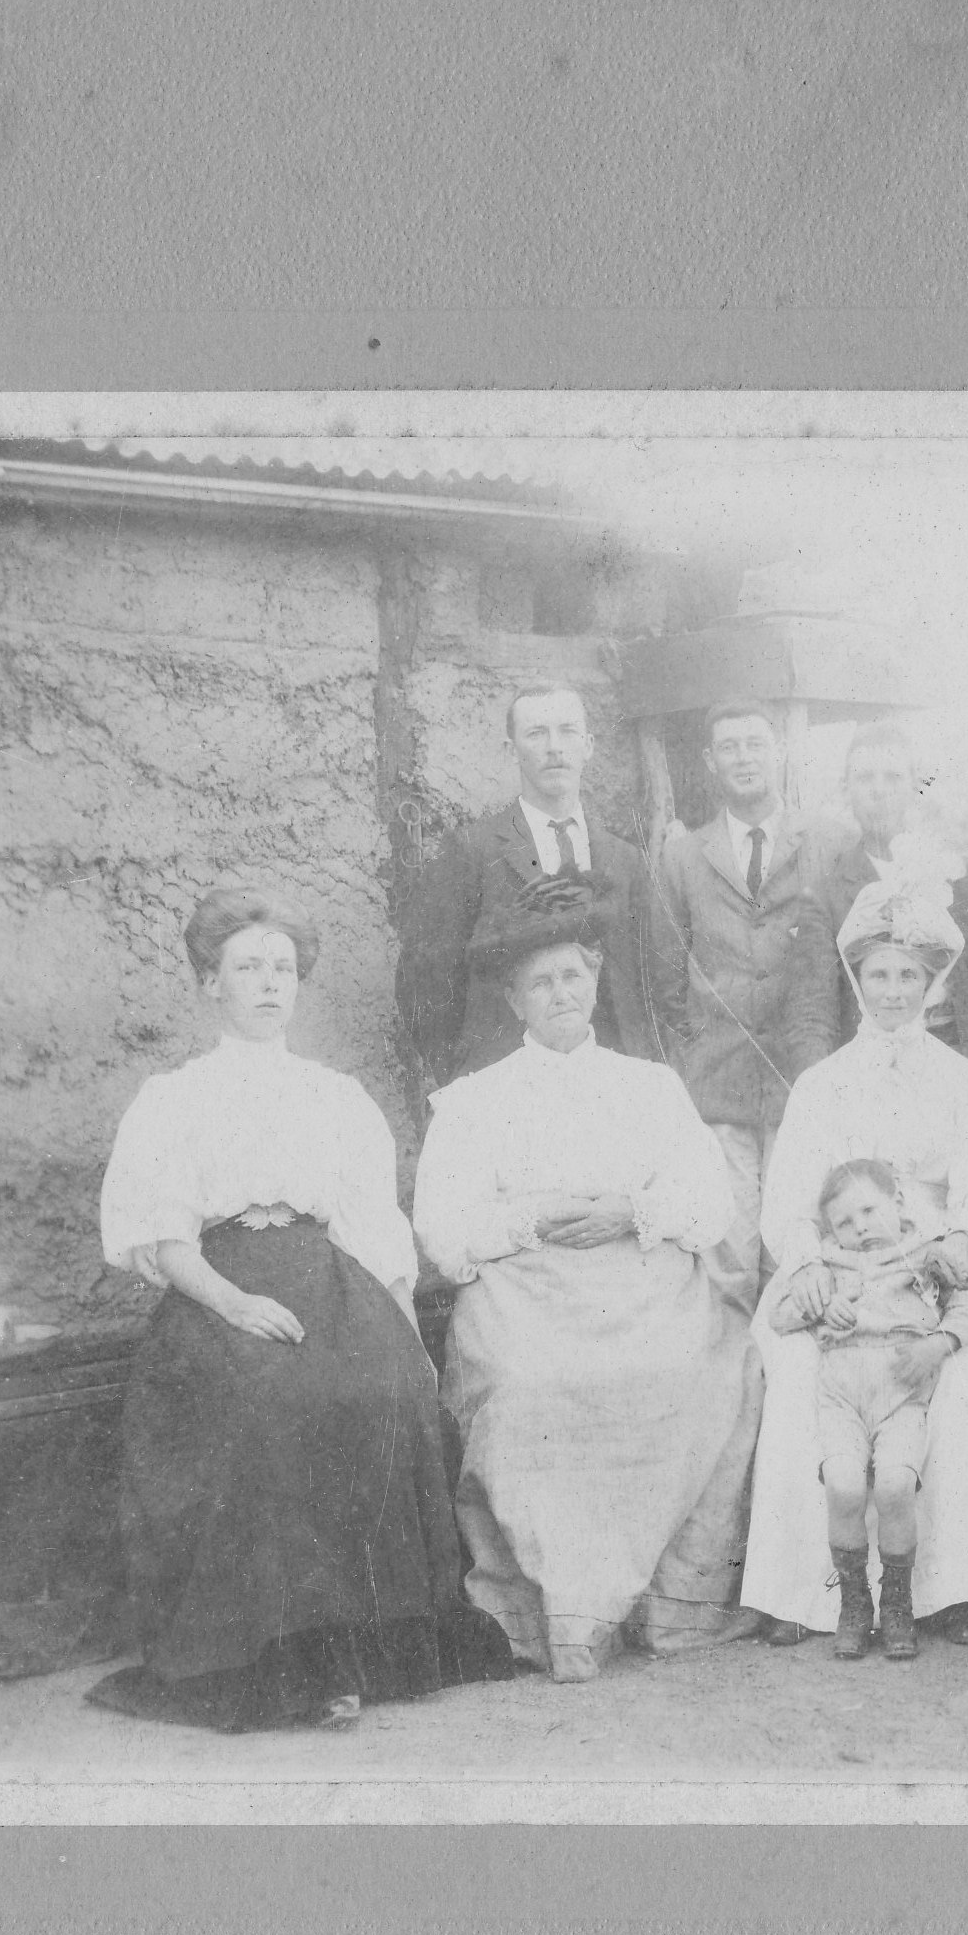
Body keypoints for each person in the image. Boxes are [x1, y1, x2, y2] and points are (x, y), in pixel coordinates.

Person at [92, 889, 512, 1732]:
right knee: (273, 1401)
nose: (268, 984)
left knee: (387, 1389)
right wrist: (234, 1302)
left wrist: (404, 1339)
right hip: (218, 1291)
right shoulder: (175, 1098)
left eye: (282, 969)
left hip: (330, 1281)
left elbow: (373, 1234)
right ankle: (290, 1659)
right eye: (248, 967)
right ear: (210, 982)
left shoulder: (334, 1096)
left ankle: (370, 1644)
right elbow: (164, 1240)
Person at [410, 873, 765, 1680]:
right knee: (530, 1387)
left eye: (572, 975)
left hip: (643, 1281)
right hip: (526, 1290)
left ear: (596, 980)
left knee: (706, 1368)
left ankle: (670, 1603)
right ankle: (564, 1611)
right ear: (514, 999)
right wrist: (531, 1219)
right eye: (540, 982)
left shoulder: (649, 1086)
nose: (561, 993)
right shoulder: (474, 1101)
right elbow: (444, 1228)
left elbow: (707, 1202)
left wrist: (632, 1211)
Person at [738, 855, 968, 1650]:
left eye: (909, 975)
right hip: (842, 1272)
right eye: (879, 974)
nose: (894, 991)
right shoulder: (822, 1083)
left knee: (956, 1382)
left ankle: (952, 1589)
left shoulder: (966, 1080)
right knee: (798, 1372)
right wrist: (810, 1269)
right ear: (856, 979)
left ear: (933, 983)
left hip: (932, 1276)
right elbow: (789, 1201)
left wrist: (961, 1239)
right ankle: (806, 1591)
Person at [764, 1157, 968, 1660]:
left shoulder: (926, 1255)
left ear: (898, 1202)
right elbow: (778, 1315)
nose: (861, 1228)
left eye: (869, 1211)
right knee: (843, 1486)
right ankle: (854, 1603)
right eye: (844, 1222)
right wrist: (818, 1306)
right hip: (842, 1397)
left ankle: (897, 1601)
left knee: (895, 1487)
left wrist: (939, 1343)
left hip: (901, 1393)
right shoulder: (828, 1262)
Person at [651, 702, 844, 1309]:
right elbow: (665, 976)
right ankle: (731, 1366)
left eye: (755, 744)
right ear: (710, 761)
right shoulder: (684, 856)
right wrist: (694, 1057)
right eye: (729, 747)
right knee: (727, 1254)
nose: (744, 758)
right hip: (719, 1083)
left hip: (801, 1078)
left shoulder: (829, 840)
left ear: (779, 752)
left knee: (797, 1245)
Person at [398, 681, 662, 1086]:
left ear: (588, 745)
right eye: (537, 733)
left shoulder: (624, 859)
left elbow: (650, 979)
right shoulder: (474, 850)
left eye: (567, 731)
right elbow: (424, 981)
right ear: (511, 750)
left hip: (611, 1081)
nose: (554, 747)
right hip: (509, 1083)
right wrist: (466, 1075)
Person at [816, 722, 968, 1099]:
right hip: (872, 1080)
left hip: (962, 1063)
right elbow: (814, 1015)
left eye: (893, 777)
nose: (879, 790)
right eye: (865, 778)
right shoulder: (829, 891)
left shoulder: (962, 873)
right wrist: (829, 1098)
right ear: (845, 788)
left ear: (915, 786)